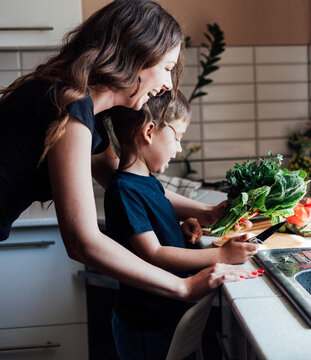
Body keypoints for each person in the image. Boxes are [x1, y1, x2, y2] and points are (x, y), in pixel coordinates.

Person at [0, 0, 256, 303]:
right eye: (167, 68)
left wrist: (205, 212)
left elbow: (126, 182)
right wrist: (183, 287)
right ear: (136, 54)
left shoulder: (81, 107)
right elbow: (83, 242)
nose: (166, 85)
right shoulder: (70, 105)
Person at [104, 90, 258, 359]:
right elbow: (154, 254)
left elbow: (158, 214)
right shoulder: (124, 190)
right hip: (145, 324)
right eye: (177, 137)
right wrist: (222, 254)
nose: (179, 148)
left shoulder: (146, 181)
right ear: (149, 132)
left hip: (164, 314)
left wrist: (191, 221)